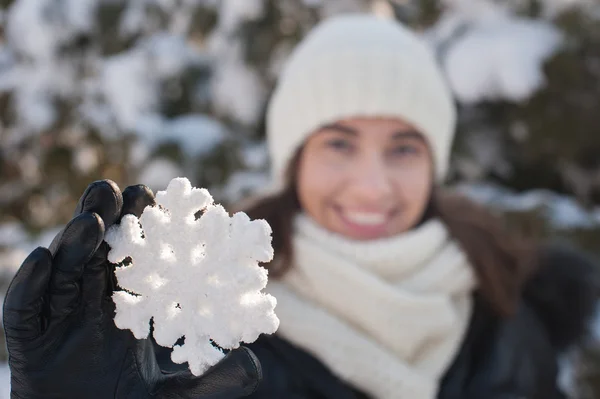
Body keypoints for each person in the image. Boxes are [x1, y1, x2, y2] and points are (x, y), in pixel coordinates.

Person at [4, 13, 599, 399]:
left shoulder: (508, 314)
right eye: (339, 143)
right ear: (294, 158)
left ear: (434, 162)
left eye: (403, 148)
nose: (372, 186)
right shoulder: (203, 334)